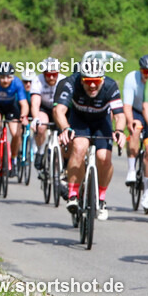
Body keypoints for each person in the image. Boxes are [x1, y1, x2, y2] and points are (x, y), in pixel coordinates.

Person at [53, 58, 126, 221]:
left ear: (102, 79)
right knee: (79, 147)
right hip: (79, 120)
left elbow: (120, 115)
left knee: (103, 158)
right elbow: (59, 110)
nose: (92, 85)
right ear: (81, 78)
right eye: (88, 81)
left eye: (96, 81)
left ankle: (101, 198)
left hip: (102, 122)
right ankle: (73, 193)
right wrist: (65, 128)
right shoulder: (71, 83)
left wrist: (120, 130)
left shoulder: (110, 86)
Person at [0, 62, 30, 177]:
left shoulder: (17, 83)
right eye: (2, 77)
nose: (5, 80)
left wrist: (23, 116)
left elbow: (24, 104)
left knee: (16, 133)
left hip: (11, 107)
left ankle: (13, 160)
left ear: (12, 77)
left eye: (8, 77)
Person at [122, 55, 148, 209]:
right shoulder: (132, 78)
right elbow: (127, 106)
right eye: (145, 71)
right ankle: (131, 169)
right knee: (135, 130)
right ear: (140, 70)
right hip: (136, 111)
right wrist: (130, 122)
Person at [30, 58, 61, 170]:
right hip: (43, 107)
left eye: (54, 74)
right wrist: (35, 118)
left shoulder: (63, 80)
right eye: (48, 75)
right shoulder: (37, 80)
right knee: (42, 126)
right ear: (43, 73)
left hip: (59, 108)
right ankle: (41, 151)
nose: (52, 77)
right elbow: (35, 102)